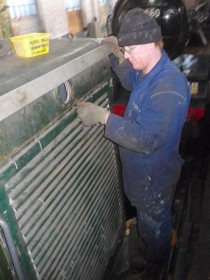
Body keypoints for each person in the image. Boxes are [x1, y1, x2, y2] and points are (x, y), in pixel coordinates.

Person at [77, 7, 190, 279]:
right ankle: (155, 243)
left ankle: (158, 260)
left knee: (153, 224)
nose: (127, 55)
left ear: (150, 42)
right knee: (148, 217)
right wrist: (118, 58)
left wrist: (104, 118)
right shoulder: (149, 68)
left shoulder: (169, 86)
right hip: (143, 174)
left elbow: (146, 138)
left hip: (154, 178)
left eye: (129, 50)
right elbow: (132, 82)